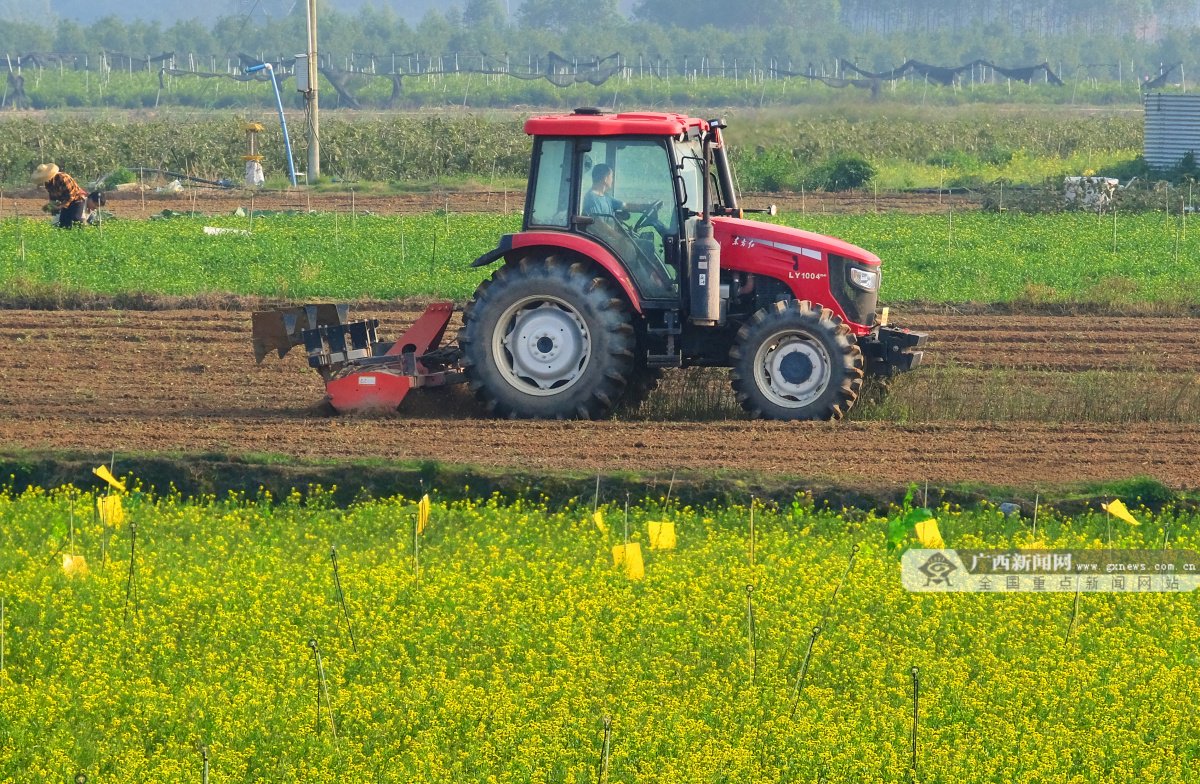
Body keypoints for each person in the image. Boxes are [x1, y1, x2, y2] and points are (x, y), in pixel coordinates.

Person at [31, 163, 88, 229]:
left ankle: (84, 230)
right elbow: (53, 196)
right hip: (64, 201)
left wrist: (60, 206)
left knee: (76, 218)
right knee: (63, 223)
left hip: (77, 199)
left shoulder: (63, 178)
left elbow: (71, 195)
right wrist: (52, 205)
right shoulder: (48, 183)